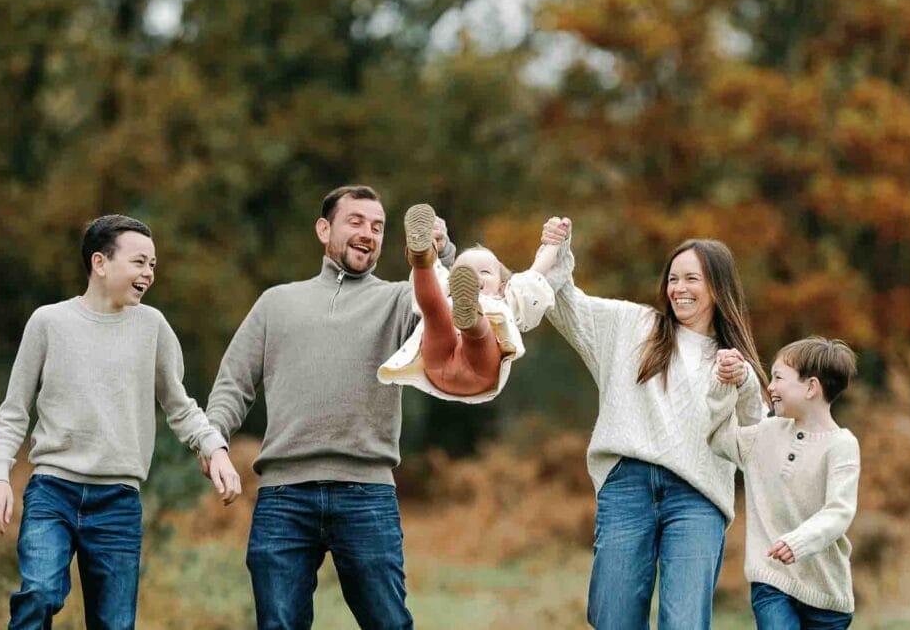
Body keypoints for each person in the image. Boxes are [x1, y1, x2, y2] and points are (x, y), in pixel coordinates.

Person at [204, 185, 462, 630]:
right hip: (284, 496)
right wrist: (214, 446)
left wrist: (441, 253)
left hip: (366, 493)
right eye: (357, 222)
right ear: (325, 230)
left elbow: (448, 307)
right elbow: (232, 384)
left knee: (390, 624)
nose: (369, 233)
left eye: (378, 227)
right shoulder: (277, 302)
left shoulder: (397, 301)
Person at [0, 214, 241, 630]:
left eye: (153, 265)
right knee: (39, 594)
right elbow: (14, 410)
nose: (149, 273)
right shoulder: (48, 323)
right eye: (139, 262)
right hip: (53, 493)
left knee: (115, 624)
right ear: (100, 263)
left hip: (118, 502)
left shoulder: (152, 327)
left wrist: (215, 448)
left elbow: (180, 404)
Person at [539, 217, 769, 630]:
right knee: (613, 616)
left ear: (718, 288)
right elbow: (566, 305)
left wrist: (746, 381)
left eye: (691, 279)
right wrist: (558, 251)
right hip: (627, 486)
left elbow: (757, 438)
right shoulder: (634, 326)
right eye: (673, 279)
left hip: (697, 497)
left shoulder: (732, 362)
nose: (678, 289)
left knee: (683, 622)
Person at [707, 337, 860, 629]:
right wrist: (723, 386)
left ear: (811, 387)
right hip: (771, 579)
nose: (771, 387)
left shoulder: (842, 445)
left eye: (778, 378)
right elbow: (718, 437)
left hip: (827, 593)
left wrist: (798, 541)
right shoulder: (765, 434)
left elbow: (839, 512)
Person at [377, 203, 555, 402]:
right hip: (441, 363)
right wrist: (432, 242)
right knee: (435, 311)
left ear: (502, 285)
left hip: (475, 371)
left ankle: (472, 320)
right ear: (453, 281)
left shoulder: (505, 297)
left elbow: (534, 274)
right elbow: (433, 286)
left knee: (473, 330)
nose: (474, 277)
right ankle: (421, 258)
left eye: (484, 272)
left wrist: (553, 244)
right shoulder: (449, 292)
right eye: (464, 272)